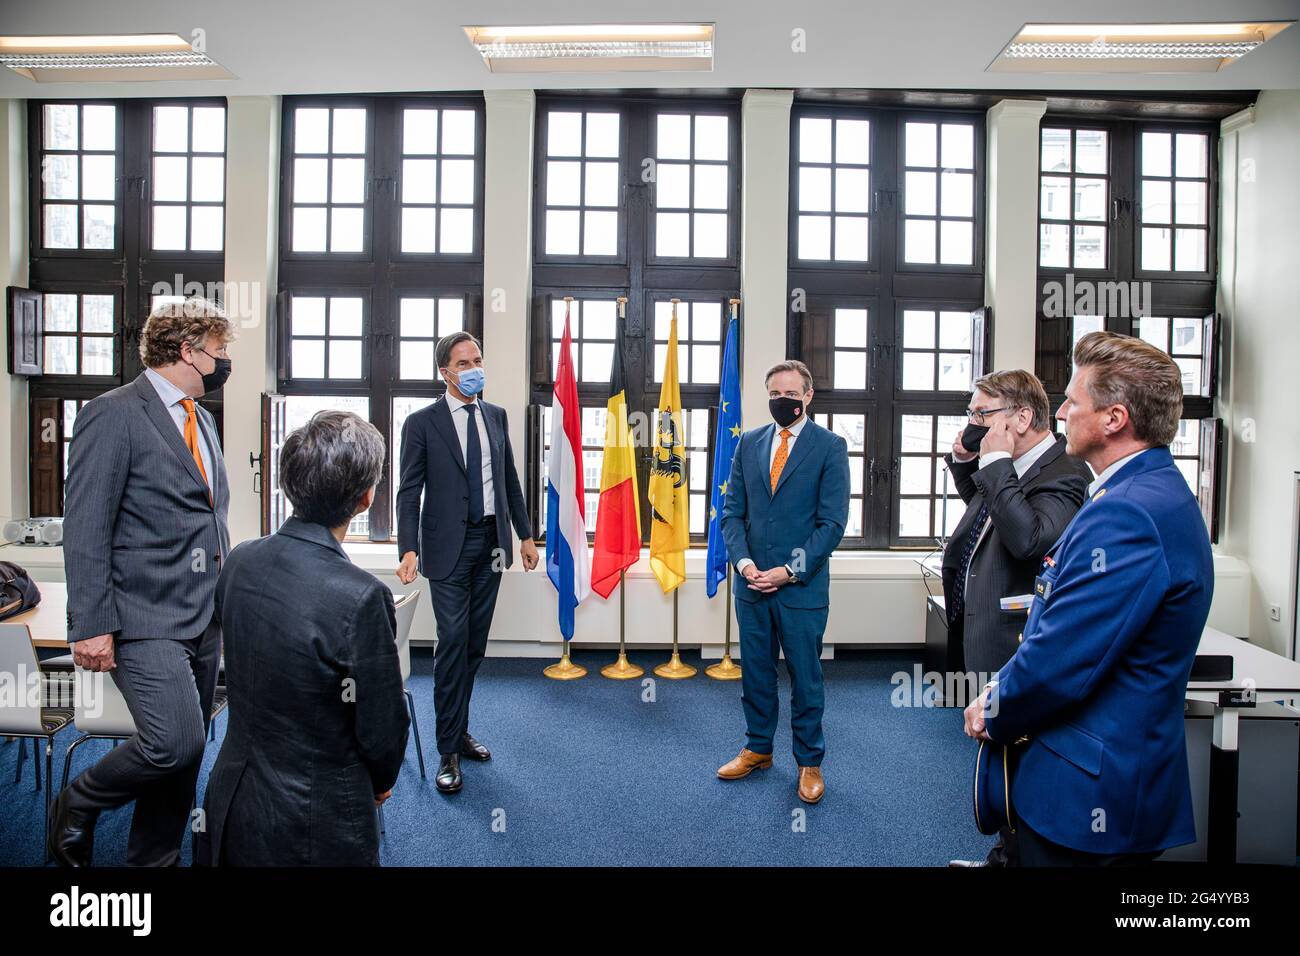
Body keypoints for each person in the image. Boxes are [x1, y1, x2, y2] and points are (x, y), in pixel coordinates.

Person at [964, 331, 1214, 866]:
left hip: (1090, 789)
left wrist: (997, 705)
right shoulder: (1146, 491)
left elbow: (1064, 659)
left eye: (1073, 402)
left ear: (1113, 418)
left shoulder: (1129, 513)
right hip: (1111, 773)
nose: (1060, 411)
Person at [51, 297, 233, 867]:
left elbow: (207, 516)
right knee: (175, 741)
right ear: (187, 350)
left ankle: (153, 863)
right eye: (219, 351)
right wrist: (92, 624)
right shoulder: (113, 413)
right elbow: (85, 525)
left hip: (204, 616)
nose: (224, 361)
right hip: (143, 614)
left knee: (185, 758)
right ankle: (78, 802)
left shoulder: (200, 418)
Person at [197, 411, 409, 866]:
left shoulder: (239, 561)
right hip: (317, 818)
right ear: (366, 498)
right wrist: (382, 778)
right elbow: (382, 726)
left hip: (230, 797)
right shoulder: (362, 596)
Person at [942, 370, 1091, 867]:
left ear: (1022, 417)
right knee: (999, 760)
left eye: (982, 414)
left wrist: (997, 462)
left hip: (1018, 642)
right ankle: (1003, 857)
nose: (973, 424)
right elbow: (987, 515)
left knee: (1022, 765)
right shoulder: (1013, 465)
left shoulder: (1064, 472)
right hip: (985, 628)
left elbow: (1028, 538)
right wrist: (968, 464)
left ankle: (1017, 858)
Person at [395, 331, 538, 794]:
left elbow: (510, 479)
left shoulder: (495, 416)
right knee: (452, 643)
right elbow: (408, 491)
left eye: (478, 359)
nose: (474, 368)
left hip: (491, 545)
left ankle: (458, 729)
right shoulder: (421, 423)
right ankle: (447, 750)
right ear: (445, 372)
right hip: (446, 550)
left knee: (474, 646)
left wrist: (526, 535)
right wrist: (408, 548)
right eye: (464, 362)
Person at [718, 360, 849, 804]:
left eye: (791, 395)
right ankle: (757, 748)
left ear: (808, 396)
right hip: (751, 586)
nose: (782, 401)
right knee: (755, 673)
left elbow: (832, 524)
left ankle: (809, 762)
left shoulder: (830, 447)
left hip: (801, 590)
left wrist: (790, 570)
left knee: (805, 678)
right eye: (775, 393)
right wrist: (743, 563)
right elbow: (732, 513)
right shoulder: (749, 444)